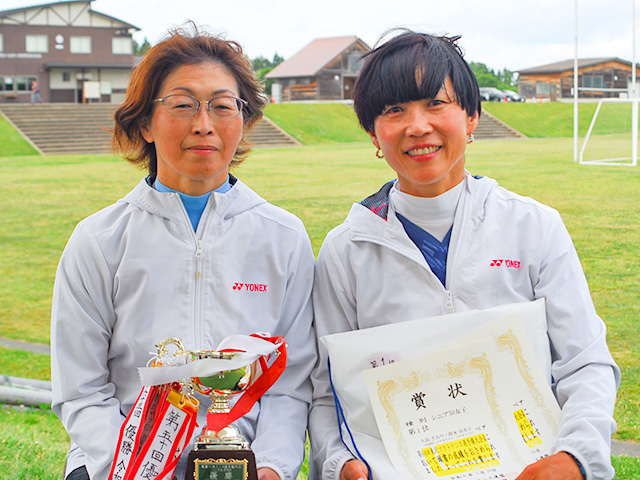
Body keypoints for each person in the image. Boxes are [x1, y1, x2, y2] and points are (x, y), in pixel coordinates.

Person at [309, 30, 620, 480]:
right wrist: (341, 464)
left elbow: (585, 362)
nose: (417, 126)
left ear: (472, 117)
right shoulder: (346, 250)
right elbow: (325, 392)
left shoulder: (534, 226)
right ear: (373, 134)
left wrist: (573, 459)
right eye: (394, 110)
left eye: (436, 104)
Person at [51, 25, 316, 480]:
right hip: (117, 464)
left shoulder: (284, 237)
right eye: (182, 104)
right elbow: (81, 391)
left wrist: (271, 467)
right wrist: (134, 468)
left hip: (242, 463)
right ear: (145, 124)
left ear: (243, 119)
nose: (204, 124)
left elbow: (290, 386)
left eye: (222, 106)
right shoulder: (99, 240)